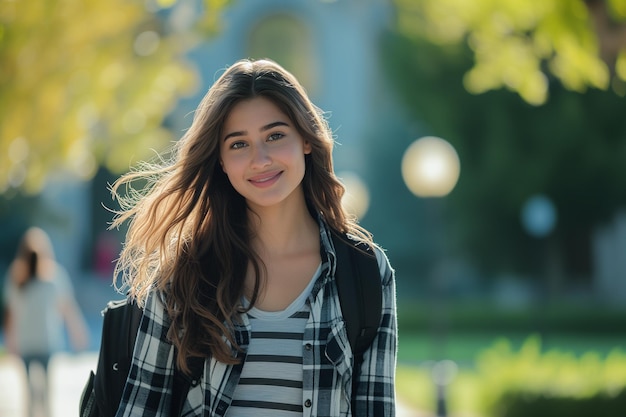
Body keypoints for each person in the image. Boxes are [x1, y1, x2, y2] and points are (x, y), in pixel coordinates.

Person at [109, 58, 397, 416]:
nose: (260, 159)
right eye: (238, 145)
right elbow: (142, 407)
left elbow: (376, 408)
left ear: (306, 140)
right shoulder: (184, 271)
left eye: (275, 136)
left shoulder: (364, 271)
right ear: (221, 161)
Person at [3, 226, 89, 417]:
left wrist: (10, 342)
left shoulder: (15, 276)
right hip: (47, 341)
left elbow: (10, 314)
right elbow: (68, 309)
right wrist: (78, 334)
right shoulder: (54, 275)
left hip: (26, 343)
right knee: (47, 394)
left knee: (28, 394)